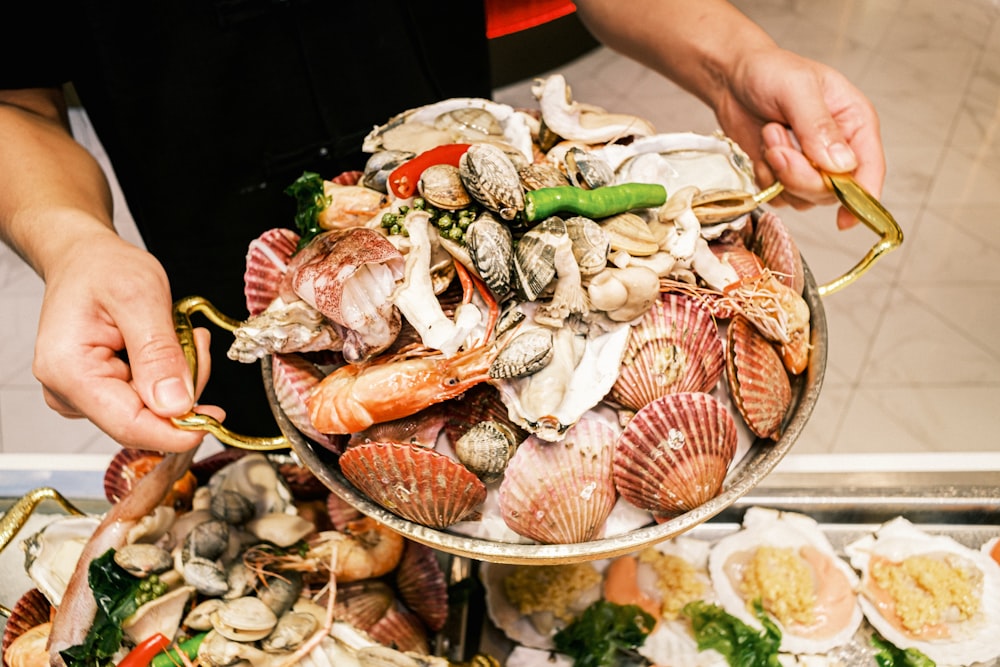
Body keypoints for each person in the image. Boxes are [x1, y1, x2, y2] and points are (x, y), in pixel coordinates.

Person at [0, 0, 884, 454]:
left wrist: (735, 59)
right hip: (222, 307)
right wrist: (70, 235)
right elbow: (16, 96)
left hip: (494, 261)